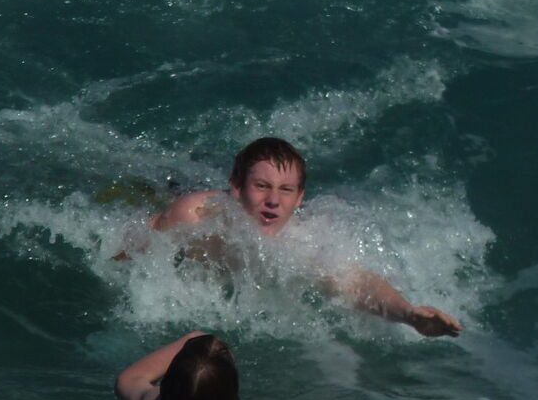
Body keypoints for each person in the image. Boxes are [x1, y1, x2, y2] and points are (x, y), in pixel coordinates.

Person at [141, 137, 463, 337]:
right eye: (262, 186)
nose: (273, 201)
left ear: (299, 199)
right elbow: (133, 250)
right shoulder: (194, 216)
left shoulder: (302, 243)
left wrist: (409, 314)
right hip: (171, 195)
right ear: (237, 188)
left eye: (286, 190)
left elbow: (355, 284)